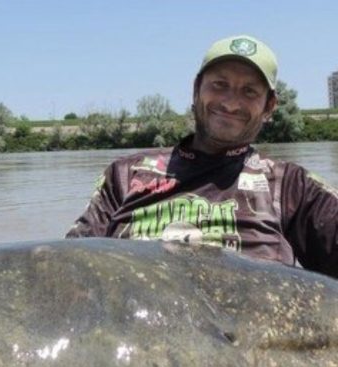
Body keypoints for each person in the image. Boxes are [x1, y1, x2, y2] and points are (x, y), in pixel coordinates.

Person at [66, 34, 338, 278]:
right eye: (219, 85)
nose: (231, 103)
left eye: (249, 91)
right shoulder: (125, 175)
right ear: (196, 90)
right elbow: (68, 267)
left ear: (269, 106)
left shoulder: (292, 186)